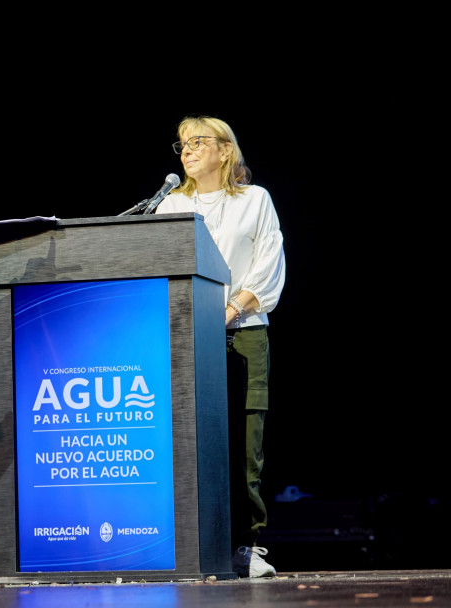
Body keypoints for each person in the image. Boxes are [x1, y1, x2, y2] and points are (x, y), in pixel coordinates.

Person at [154, 116, 286, 578]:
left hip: (243, 332)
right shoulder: (170, 204)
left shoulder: (255, 200)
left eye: (197, 141)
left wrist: (228, 311)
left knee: (244, 446)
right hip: (184, 336)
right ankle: (185, 545)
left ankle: (246, 546)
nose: (187, 151)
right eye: (182, 144)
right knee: (187, 441)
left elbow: (268, 266)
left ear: (225, 150)